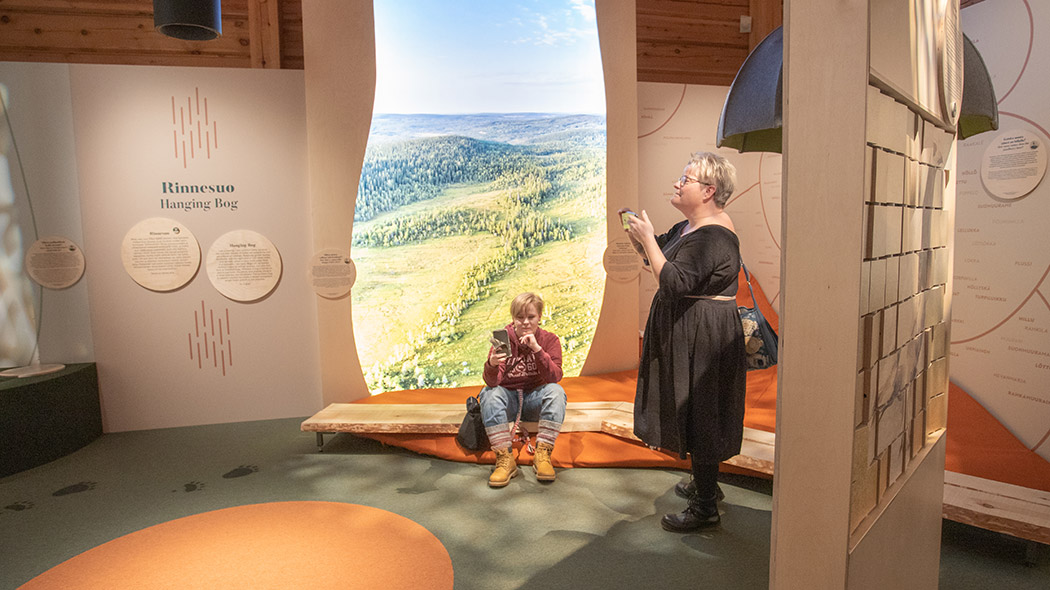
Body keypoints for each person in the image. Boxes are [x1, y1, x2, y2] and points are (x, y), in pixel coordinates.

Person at [621, 152, 747, 532]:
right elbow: (657, 259)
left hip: (704, 337)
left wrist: (647, 241)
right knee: (693, 407)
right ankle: (703, 483)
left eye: (686, 178)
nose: (678, 183)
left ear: (708, 190)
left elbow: (674, 283)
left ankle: (705, 504)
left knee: (703, 411)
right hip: (690, 330)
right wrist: (641, 241)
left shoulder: (713, 237)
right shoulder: (689, 228)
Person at [479, 292, 567, 488]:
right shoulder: (502, 338)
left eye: (531, 317)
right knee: (488, 393)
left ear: (540, 317)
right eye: (520, 317)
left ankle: (543, 454)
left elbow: (555, 376)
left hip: (535, 399)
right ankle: (505, 459)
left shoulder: (549, 340)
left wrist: (537, 350)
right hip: (509, 400)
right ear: (513, 318)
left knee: (556, 391)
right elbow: (493, 382)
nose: (525, 322)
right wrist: (491, 365)